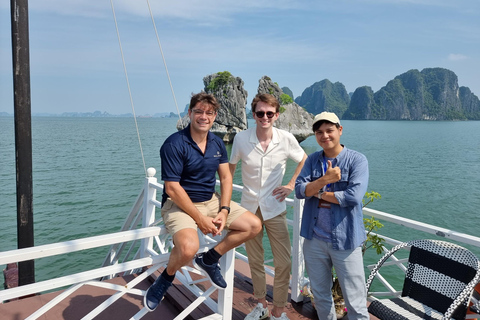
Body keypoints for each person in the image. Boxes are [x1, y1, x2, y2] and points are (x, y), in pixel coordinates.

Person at [144, 92, 262, 312]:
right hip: (179, 204)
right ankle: (166, 278)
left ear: (215, 115)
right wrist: (200, 219)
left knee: (254, 225)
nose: (203, 116)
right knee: (188, 248)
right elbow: (172, 188)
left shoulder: (217, 143)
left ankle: (210, 258)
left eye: (209, 112)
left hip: (211, 201)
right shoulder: (174, 144)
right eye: (198, 111)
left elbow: (226, 177)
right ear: (190, 113)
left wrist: (224, 211)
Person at [229, 93, 307, 320]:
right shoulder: (241, 139)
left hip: (275, 207)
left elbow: (304, 159)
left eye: (269, 113)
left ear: (276, 115)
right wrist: (226, 201)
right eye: (260, 113)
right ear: (253, 115)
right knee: (255, 259)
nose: (265, 117)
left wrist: (291, 184)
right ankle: (261, 305)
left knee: (283, 262)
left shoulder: (286, 139)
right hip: (248, 208)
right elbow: (230, 168)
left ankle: (278, 311)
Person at [294, 112, 370, 320]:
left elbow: (353, 197)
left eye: (329, 131)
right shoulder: (312, 160)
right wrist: (324, 179)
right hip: (314, 238)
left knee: (355, 300)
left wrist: (317, 192)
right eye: (319, 132)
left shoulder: (357, 160)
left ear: (340, 130)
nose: (325, 136)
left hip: (346, 240)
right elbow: (299, 190)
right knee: (320, 295)